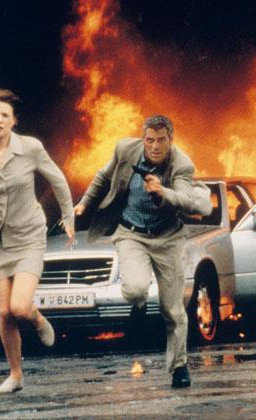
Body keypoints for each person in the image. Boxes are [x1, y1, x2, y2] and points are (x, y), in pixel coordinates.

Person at [74, 114, 211, 388]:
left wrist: (162, 192)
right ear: (143, 139)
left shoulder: (181, 164)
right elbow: (103, 177)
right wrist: (84, 203)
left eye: (161, 140)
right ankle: (138, 305)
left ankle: (179, 366)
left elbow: (186, 199)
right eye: (150, 140)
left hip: (167, 238)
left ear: (171, 140)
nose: (155, 146)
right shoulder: (126, 150)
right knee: (135, 289)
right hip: (131, 233)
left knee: (173, 309)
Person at [0, 89, 74, 394]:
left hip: (29, 235)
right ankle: (15, 375)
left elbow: (58, 180)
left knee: (20, 307)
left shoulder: (30, 148)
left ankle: (37, 319)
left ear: (14, 121)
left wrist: (68, 216)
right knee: (4, 312)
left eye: (5, 115)